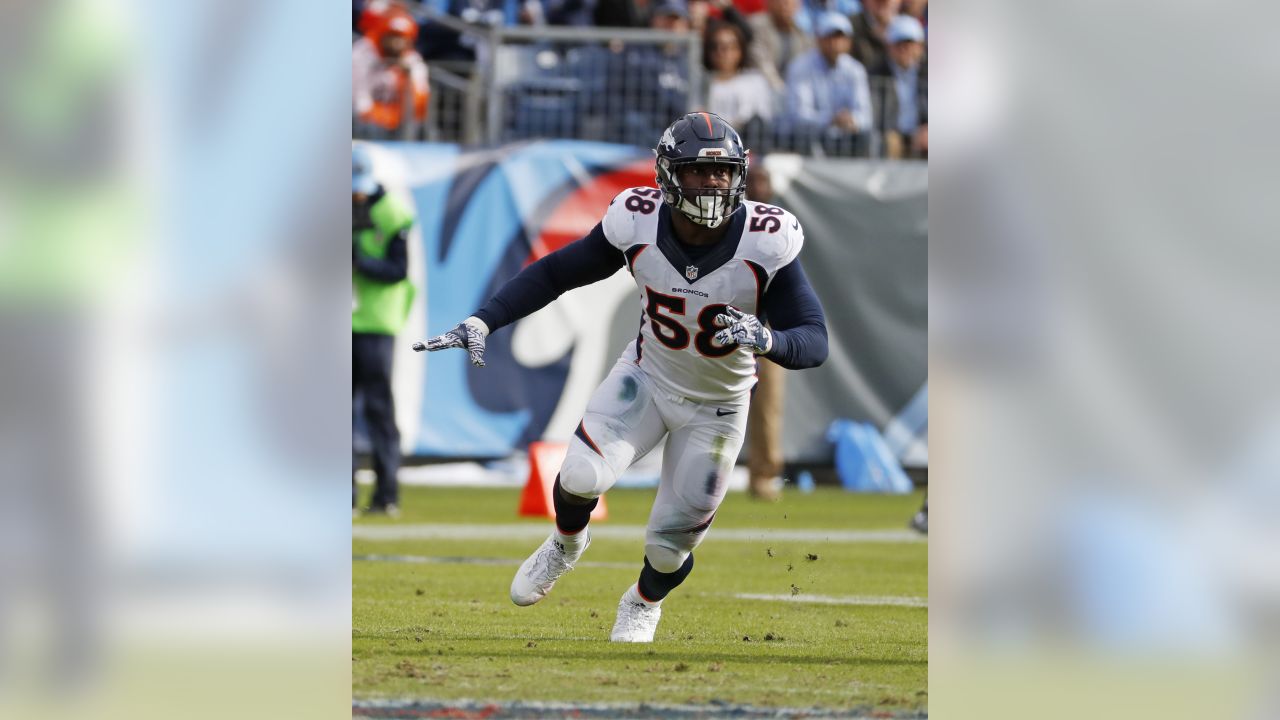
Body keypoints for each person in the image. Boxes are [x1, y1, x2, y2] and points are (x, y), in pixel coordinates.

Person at [417, 113, 827, 642]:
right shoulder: (636, 220)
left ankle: (642, 601)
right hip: (648, 379)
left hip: (719, 407)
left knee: (669, 544)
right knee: (581, 477)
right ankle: (567, 542)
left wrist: (768, 339)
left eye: (723, 172)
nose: (712, 184)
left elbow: (813, 338)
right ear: (666, 175)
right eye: (698, 172)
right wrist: (484, 320)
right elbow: (556, 272)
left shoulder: (767, 238)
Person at [352, 144, 418, 517]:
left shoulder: (394, 212)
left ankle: (386, 494)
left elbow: (398, 270)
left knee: (378, 410)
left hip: (376, 323)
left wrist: (361, 263)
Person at [742, 161, 787, 501]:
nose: (759, 186)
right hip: (724, 320)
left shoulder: (781, 226)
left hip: (764, 326)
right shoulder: (729, 219)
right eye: (753, 180)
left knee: (767, 405)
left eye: (764, 180)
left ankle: (764, 474)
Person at [784, 12, 873, 153]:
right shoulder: (801, 66)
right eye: (829, 37)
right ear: (818, 39)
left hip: (845, 138)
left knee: (868, 137)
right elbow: (798, 115)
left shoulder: (855, 70)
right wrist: (830, 119)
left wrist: (852, 120)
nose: (835, 42)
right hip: (809, 138)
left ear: (849, 42)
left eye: (840, 37)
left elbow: (865, 115)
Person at [352, 6, 429, 138]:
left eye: (402, 38)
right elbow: (358, 97)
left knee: (418, 127)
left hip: (397, 119)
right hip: (366, 120)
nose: (396, 43)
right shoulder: (363, 53)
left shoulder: (412, 59)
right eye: (392, 37)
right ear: (383, 35)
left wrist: (407, 76)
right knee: (369, 127)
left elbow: (419, 102)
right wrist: (377, 116)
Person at [704, 21, 775, 128]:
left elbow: (762, 118)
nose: (721, 52)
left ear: (740, 50)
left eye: (728, 47)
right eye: (714, 46)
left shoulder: (755, 81)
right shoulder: (701, 83)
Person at [747, 0, 814, 91]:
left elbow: (805, 65)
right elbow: (761, 62)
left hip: (792, 89)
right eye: (780, 2)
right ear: (769, 4)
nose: (784, 6)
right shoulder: (757, 25)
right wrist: (781, 89)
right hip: (764, 87)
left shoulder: (801, 32)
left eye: (788, 3)